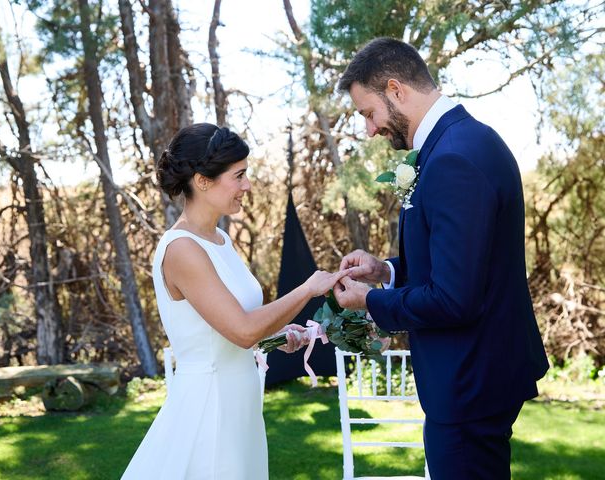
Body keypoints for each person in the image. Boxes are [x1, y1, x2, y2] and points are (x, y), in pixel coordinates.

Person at [332, 38, 549, 479]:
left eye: (368, 113)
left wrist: (369, 302)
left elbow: (454, 298)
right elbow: (460, 262)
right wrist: (386, 270)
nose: (370, 130)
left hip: (468, 383)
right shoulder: (463, 142)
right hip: (477, 378)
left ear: (396, 90)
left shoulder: (452, 159)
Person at [121, 123, 349, 480]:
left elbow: (233, 327)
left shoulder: (221, 240)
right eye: (239, 175)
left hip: (241, 400)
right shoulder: (182, 249)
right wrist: (307, 289)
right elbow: (241, 331)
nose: (248, 186)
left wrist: (276, 335)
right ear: (202, 180)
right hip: (210, 406)